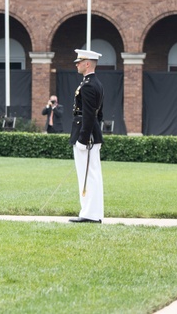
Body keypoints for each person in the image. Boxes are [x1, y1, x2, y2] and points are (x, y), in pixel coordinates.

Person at [69, 48, 104, 223]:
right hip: (91, 132)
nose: (77, 64)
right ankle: (91, 212)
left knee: (88, 175)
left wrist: (83, 138)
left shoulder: (89, 85)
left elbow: (90, 114)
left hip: (86, 135)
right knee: (91, 174)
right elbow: (100, 115)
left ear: (87, 63)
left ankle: (90, 213)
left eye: (79, 62)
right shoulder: (94, 82)